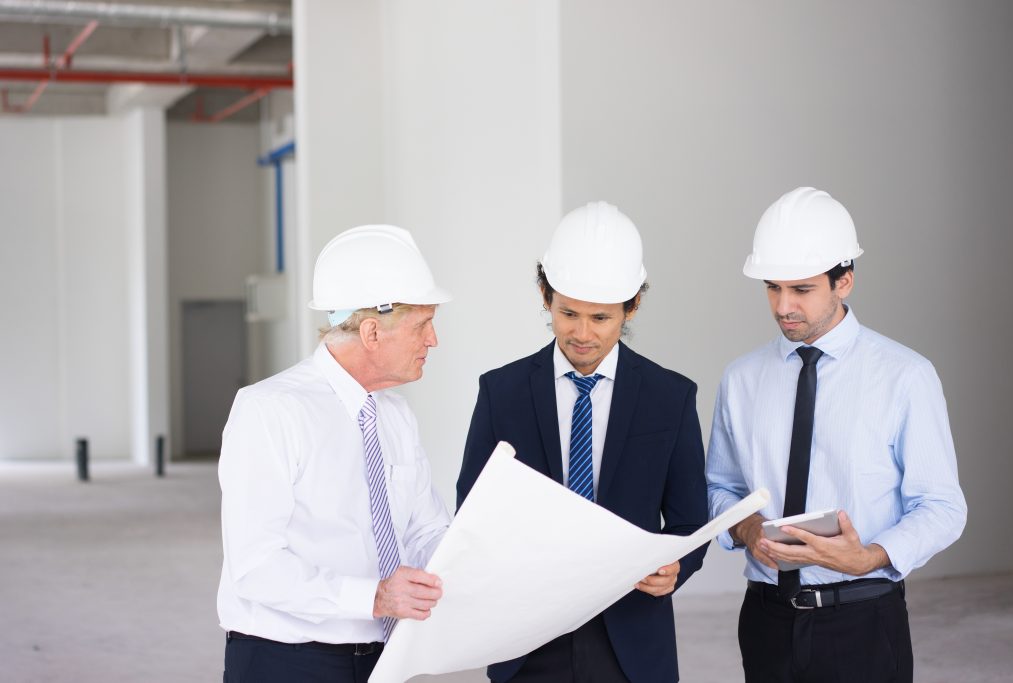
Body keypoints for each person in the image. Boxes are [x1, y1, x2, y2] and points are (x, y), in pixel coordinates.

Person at [706, 187, 968, 683]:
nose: (783, 306)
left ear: (844, 281)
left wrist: (870, 556)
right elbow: (719, 489)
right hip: (766, 619)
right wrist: (746, 529)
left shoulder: (905, 376)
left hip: (863, 620)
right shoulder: (741, 379)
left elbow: (942, 505)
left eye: (801, 290)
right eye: (772, 287)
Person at [457, 201, 709, 683]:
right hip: (526, 640)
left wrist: (677, 564)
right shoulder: (500, 392)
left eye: (600, 318)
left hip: (631, 641)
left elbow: (689, 520)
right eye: (568, 313)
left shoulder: (671, 398)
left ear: (632, 306)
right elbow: (473, 507)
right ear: (544, 295)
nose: (582, 334)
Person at [217, 225, 453, 683]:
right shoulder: (269, 410)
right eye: (423, 325)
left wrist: (472, 560)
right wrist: (372, 597)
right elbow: (255, 565)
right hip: (286, 662)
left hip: (383, 658)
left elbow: (425, 529)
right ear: (371, 332)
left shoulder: (396, 416)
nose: (433, 341)